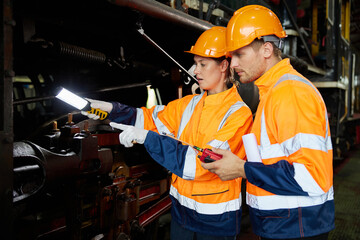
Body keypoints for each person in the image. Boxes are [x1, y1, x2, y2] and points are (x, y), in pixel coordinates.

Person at [82, 26, 253, 239]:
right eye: (195, 63)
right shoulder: (189, 104)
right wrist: (106, 109)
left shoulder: (238, 114)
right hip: (181, 213)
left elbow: (203, 163)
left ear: (224, 65)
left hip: (216, 220)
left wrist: (147, 138)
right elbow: (147, 118)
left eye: (202, 64)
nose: (195, 70)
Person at [201, 5, 335, 240]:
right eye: (231, 56)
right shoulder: (272, 92)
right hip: (285, 224)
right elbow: (278, 158)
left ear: (266, 49)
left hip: (295, 228)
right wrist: (236, 160)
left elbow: (312, 178)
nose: (231, 64)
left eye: (239, 55)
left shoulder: (290, 92)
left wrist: (241, 169)